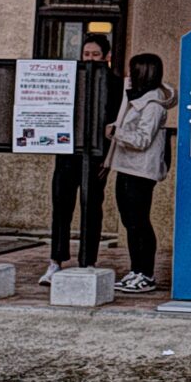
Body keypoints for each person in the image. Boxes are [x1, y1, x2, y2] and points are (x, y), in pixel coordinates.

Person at [45, 35, 121, 280]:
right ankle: (56, 259)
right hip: (68, 153)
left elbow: (116, 124)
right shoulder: (71, 81)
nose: (89, 59)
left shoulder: (116, 85)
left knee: (92, 207)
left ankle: (88, 260)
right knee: (61, 206)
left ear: (107, 57)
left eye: (95, 55)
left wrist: (108, 161)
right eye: (86, 54)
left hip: (98, 156)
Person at [110, 52, 172, 293]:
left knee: (139, 222)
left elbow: (143, 139)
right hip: (127, 167)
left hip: (140, 170)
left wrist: (117, 132)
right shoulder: (137, 98)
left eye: (132, 71)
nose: (128, 75)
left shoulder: (153, 105)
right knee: (130, 221)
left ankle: (146, 273)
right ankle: (136, 270)